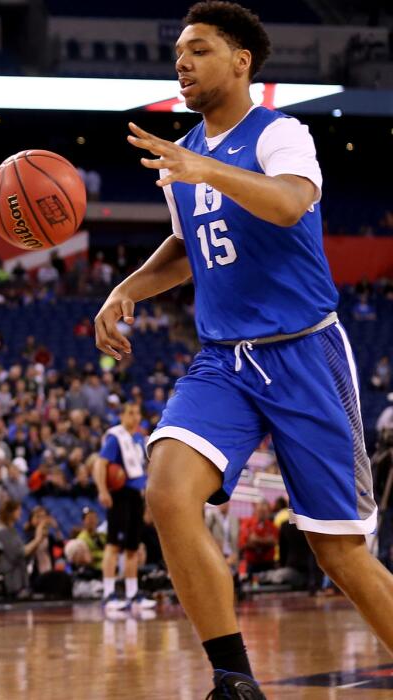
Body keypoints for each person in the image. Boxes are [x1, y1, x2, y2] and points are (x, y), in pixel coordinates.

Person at [94, 4, 392, 697]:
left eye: (199, 50)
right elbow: (186, 250)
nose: (183, 63)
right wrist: (124, 290)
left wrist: (202, 167)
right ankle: (234, 679)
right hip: (224, 358)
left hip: (304, 353)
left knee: (338, 553)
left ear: (241, 62)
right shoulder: (184, 160)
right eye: (178, 55)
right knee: (167, 492)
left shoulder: (279, 134)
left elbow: (288, 205)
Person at [94, 402, 156, 611]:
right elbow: (101, 464)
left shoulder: (139, 439)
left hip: (136, 495)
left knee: (132, 547)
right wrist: (102, 490)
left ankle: (132, 594)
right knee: (113, 545)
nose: (135, 417)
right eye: (131, 413)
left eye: (138, 413)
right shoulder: (115, 437)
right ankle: (109, 593)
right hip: (120, 495)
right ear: (122, 415)